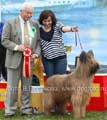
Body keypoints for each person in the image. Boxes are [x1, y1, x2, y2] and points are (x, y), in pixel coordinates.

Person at [1, 2, 41, 117]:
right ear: (21, 11)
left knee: (27, 86)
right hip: (14, 60)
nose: (30, 15)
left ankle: (26, 109)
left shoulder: (34, 24)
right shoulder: (10, 22)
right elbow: (4, 40)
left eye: (31, 13)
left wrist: (36, 54)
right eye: (28, 13)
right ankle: (10, 110)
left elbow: (37, 42)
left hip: (29, 61)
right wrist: (18, 47)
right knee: (12, 87)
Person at [38, 10, 78, 78]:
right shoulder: (39, 31)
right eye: (45, 21)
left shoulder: (57, 25)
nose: (47, 23)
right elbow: (40, 49)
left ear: (52, 20)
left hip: (60, 59)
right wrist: (41, 62)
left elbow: (64, 28)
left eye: (49, 21)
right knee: (50, 81)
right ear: (41, 21)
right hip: (47, 61)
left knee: (60, 81)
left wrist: (71, 29)